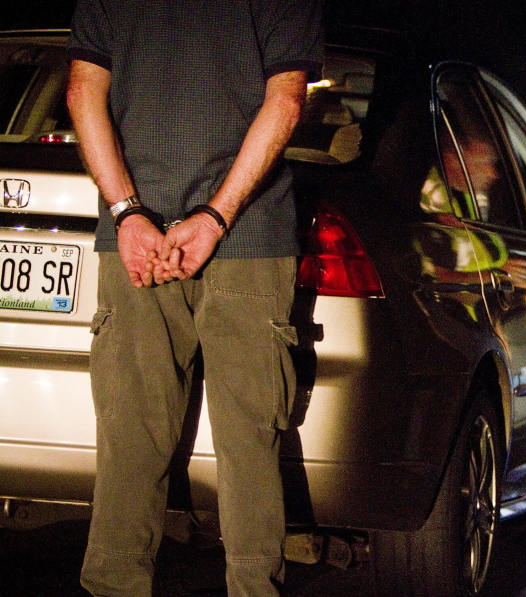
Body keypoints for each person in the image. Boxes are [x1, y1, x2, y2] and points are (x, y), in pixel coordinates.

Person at [65, 1, 323, 595]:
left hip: (136, 246)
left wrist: (128, 213)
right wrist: (214, 217)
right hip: (249, 239)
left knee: (130, 438)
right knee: (249, 443)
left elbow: (83, 95)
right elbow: (284, 103)